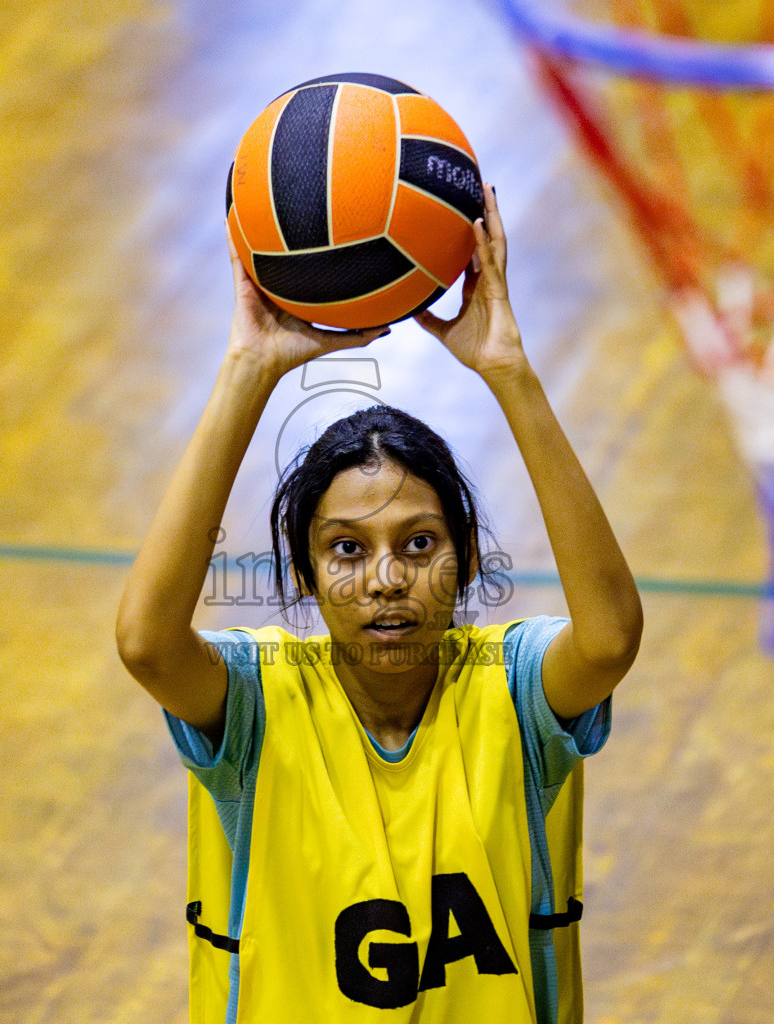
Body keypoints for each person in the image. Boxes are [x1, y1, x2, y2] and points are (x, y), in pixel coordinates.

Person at [115, 184, 642, 1023]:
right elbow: (146, 643)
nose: (387, 578)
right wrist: (249, 371)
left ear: (467, 561)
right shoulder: (257, 704)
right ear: (305, 575)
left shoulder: (512, 692)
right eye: (348, 549)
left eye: (420, 543)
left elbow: (610, 640)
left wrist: (509, 370)